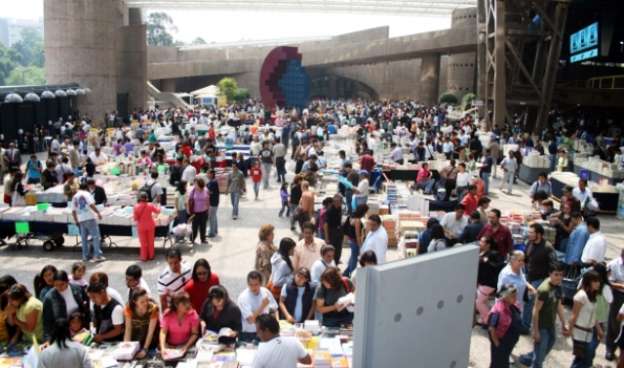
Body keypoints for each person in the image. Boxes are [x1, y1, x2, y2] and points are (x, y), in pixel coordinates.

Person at [518, 263, 568, 368]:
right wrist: (535, 331)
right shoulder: (544, 290)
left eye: (561, 275)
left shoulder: (558, 286)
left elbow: (559, 305)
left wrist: (564, 323)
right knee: (538, 360)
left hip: (551, 324)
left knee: (547, 347)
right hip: (541, 327)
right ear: (550, 274)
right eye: (556, 274)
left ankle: (527, 359)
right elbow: (535, 311)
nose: (559, 277)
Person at [523, 223, 556, 330]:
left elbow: (554, 265)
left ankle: (525, 326)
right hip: (529, 277)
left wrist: (549, 281)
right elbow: (526, 257)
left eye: (532, 233)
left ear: (539, 234)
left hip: (541, 280)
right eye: (529, 232)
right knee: (528, 302)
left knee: (530, 302)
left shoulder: (548, 247)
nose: (529, 234)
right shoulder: (529, 243)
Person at [41, 271, 90, 342]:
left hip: (79, 331)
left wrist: (87, 329)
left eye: (62, 284)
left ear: (67, 282)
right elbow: (47, 321)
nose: (59, 287)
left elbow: (85, 310)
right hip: (61, 334)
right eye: (56, 285)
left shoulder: (77, 289)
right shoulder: (49, 298)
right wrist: (47, 340)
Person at [569, 270, 602, 368]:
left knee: (581, 359)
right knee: (585, 360)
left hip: (589, 333)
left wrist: (599, 329)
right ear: (588, 282)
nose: (598, 284)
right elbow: (574, 315)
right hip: (579, 333)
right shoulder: (581, 296)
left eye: (598, 281)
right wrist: (570, 330)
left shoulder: (593, 296)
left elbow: (593, 315)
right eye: (595, 281)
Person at [237, 271, 279, 342]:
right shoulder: (243, 297)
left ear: (261, 283)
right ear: (247, 284)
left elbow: (275, 310)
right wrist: (262, 306)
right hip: (249, 333)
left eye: (256, 284)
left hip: (265, 331)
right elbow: (251, 320)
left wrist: (277, 325)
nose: (253, 287)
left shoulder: (265, 292)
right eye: (251, 285)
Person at [488, 284, 522, 368]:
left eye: (516, 295)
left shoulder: (512, 305)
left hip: (508, 344)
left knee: (502, 362)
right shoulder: (497, 311)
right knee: (499, 363)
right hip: (501, 345)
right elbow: (492, 328)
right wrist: (497, 344)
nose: (515, 298)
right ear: (504, 296)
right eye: (512, 296)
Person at [159, 291, 200, 358]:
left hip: (186, 345)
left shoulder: (193, 315)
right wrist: (163, 348)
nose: (188, 305)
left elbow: (194, 333)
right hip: (169, 346)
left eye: (188, 302)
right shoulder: (168, 315)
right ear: (176, 305)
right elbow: (163, 332)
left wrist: (186, 346)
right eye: (184, 303)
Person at [71, 181, 105, 262]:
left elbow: (73, 210)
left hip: (81, 219)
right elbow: (91, 204)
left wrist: (76, 220)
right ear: (86, 188)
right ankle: (97, 256)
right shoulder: (87, 194)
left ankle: (85, 256)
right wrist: (98, 213)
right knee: (95, 237)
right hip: (89, 217)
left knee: (84, 239)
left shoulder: (75, 196)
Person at [475, 237, 504, 326]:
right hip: (482, 282)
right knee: (484, 301)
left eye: (482, 242)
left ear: (488, 245)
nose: (480, 243)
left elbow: (498, 266)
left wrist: (487, 261)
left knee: (479, 302)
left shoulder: (493, 254)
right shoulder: (480, 252)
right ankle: (488, 318)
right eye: (480, 241)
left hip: (488, 282)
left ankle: (488, 321)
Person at [124, 287, 159, 357]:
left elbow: (150, 332)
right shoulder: (129, 308)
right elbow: (128, 329)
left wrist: (145, 349)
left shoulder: (153, 309)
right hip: (135, 341)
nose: (145, 303)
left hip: (150, 343)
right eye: (142, 302)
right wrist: (126, 345)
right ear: (135, 301)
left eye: (147, 300)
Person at [606, 249, 624, 360]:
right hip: (618, 295)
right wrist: (621, 286)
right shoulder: (614, 264)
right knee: (614, 322)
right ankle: (610, 349)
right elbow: (608, 282)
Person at [133, 192, 161, 262]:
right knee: (151, 242)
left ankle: (144, 257)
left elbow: (135, 218)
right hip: (150, 226)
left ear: (140, 198)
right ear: (147, 198)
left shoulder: (136, 207)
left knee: (143, 243)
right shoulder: (150, 205)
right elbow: (158, 211)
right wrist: (159, 205)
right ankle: (151, 256)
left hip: (141, 226)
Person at [343, 204, 367, 277]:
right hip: (355, 241)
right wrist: (360, 245)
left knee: (352, 257)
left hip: (351, 240)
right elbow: (357, 234)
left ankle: (346, 272)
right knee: (354, 258)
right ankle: (352, 273)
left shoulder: (351, 216)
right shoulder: (357, 220)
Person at [188, 177, 210, 245]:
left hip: (204, 211)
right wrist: (189, 210)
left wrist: (208, 210)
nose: (195, 185)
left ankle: (203, 239)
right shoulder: (193, 190)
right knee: (194, 227)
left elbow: (208, 200)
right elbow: (189, 200)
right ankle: (192, 239)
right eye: (194, 183)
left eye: (196, 184)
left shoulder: (205, 190)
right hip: (195, 212)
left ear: (200, 184)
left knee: (203, 226)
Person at [324, 193, 344, 264]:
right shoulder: (330, 211)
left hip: (339, 231)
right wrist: (327, 238)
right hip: (332, 232)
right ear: (335, 202)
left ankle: (337, 261)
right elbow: (325, 225)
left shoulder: (339, 208)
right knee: (331, 249)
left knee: (338, 249)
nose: (341, 204)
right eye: (340, 202)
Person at [207, 170, 220, 238]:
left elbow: (210, 192)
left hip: (213, 202)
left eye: (208, 173)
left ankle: (212, 232)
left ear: (212, 174)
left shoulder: (213, 182)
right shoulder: (211, 181)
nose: (207, 174)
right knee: (214, 216)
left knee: (211, 217)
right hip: (214, 201)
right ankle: (215, 230)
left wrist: (205, 191)